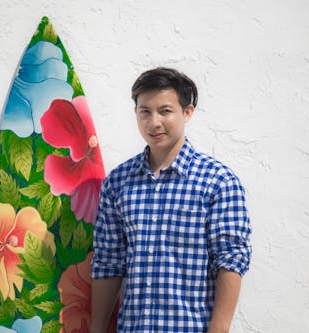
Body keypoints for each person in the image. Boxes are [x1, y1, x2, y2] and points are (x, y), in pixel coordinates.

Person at [90, 67, 252, 333]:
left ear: (187, 112)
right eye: (145, 111)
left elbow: (231, 260)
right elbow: (108, 261)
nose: (154, 122)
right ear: (136, 114)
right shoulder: (118, 182)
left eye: (165, 111)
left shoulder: (218, 181)